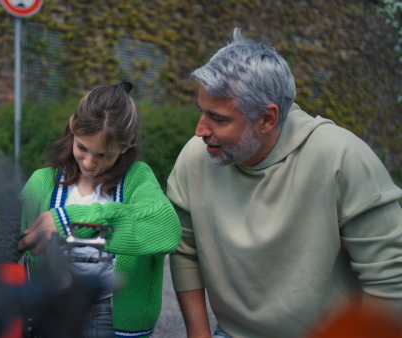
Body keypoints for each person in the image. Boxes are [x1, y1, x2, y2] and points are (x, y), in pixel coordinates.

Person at [167, 27, 402, 338]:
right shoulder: (196, 158)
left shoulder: (341, 158)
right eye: (202, 112)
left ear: (267, 119)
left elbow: (391, 281)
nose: (200, 130)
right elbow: (184, 251)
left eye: (219, 118)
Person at [0, 81, 181, 338]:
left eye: (104, 155)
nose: (89, 163)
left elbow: (166, 227)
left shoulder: (137, 179)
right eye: (82, 148)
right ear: (72, 127)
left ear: (127, 144)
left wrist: (71, 223)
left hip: (112, 314)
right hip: (52, 309)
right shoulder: (43, 182)